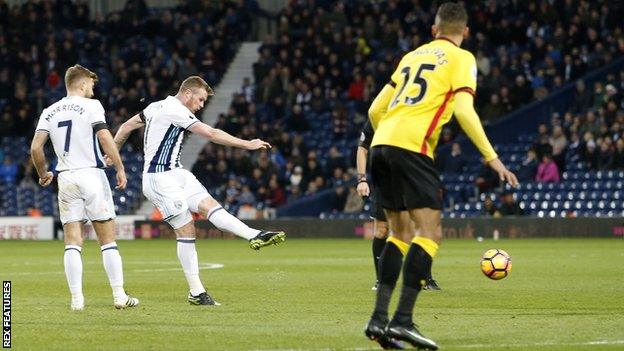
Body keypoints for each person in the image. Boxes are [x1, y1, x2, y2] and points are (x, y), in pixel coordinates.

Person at [364, 3, 518, 350]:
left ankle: (378, 320)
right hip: (412, 148)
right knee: (430, 233)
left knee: (399, 234)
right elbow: (464, 109)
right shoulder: (462, 59)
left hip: (381, 144)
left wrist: (387, 139)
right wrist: (492, 158)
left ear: (434, 30)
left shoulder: (411, 55)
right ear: (465, 32)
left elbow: (375, 109)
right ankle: (402, 321)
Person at [111, 76, 286, 306]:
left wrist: (113, 151)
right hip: (159, 179)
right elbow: (211, 134)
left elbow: (126, 126)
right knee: (187, 229)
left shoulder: (155, 106)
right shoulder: (176, 110)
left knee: (210, 206)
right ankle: (196, 292)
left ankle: (253, 234)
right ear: (187, 94)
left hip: (177, 173)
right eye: (200, 99)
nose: (201, 105)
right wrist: (248, 144)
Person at [30, 64, 139, 311]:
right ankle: (119, 295)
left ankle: (77, 300)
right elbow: (104, 136)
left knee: (72, 242)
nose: (92, 87)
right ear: (81, 84)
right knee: (107, 239)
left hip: (66, 177)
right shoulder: (92, 106)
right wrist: (120, 167)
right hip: (91, 175)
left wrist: (43, 173)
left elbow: (36, 148)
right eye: (90, 83)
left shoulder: (50, 110)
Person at [357, 120, 441, 292]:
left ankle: (425, 278)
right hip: (385, 180)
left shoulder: (411, 113)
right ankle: (381, 280)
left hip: (411, 178)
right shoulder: (377, 116)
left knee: (422, 226)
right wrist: (362, 179)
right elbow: (362, 149)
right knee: (382, 230)